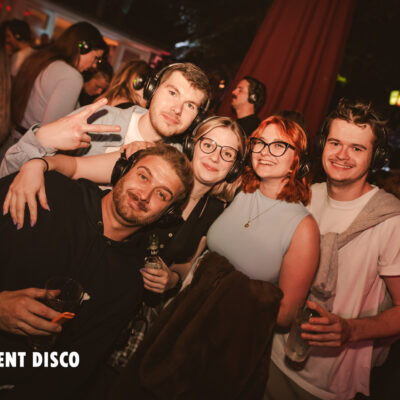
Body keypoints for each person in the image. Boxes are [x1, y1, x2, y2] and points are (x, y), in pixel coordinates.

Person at [0, 143, 193, 399]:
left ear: (167, 213)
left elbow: (73, 367)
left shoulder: (129, 282)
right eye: (143, 176)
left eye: (162, 194)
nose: (144, 194)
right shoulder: (47, 190)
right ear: (123, 170)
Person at [266, 99, 400, 400]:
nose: (342, 155)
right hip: (273, 355)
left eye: (357, 148)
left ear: (375, 157)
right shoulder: (305, 197)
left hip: (327, 385)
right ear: (322, 144)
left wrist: (351, 330)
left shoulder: (391, 221)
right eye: (335, 143)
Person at [0, 62, 211, 176]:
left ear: (196, 118)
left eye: (190, 105)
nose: (177, 109)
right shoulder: (99, 119)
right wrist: (42, 139)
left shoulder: (177, 159)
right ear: (151, 90)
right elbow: (7, 174)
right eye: (172, 93)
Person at [207, 115, 319, 327]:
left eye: (278, 146)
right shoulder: (238, 189)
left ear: (298, 161)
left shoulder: (303, 227)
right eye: (260, 143)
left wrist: (224, 294)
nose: (264, 152)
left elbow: (285, 315)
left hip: (231, 331)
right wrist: (174, 275)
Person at [0, 21, 106, 157]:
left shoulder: (38, 59)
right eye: (96, 58)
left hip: (11, 143)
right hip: (29, 152)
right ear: (83, 47)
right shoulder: (71, 76)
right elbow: (52, 133)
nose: (94, 65)